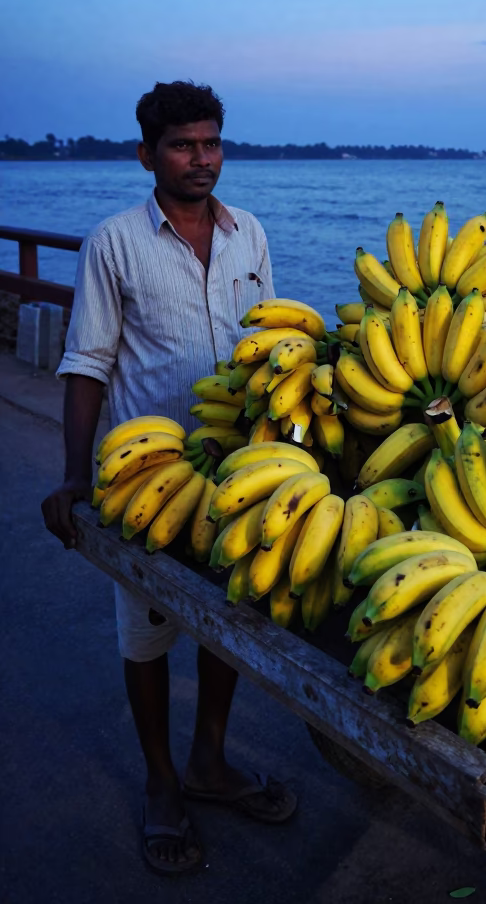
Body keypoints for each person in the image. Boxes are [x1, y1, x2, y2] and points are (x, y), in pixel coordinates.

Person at [40, 80, 297, 875]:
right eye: (184, 145)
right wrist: (74, 478)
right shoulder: (114, 242)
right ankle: (161, 782)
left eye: (212, 143)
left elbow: (274, 341)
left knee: (227, 617)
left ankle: (210, 761)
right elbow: (87, 363)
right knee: (146, 634)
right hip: (147, 481)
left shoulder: (247, 231)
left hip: (239, 475)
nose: (202, 160)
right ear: (147, 154)